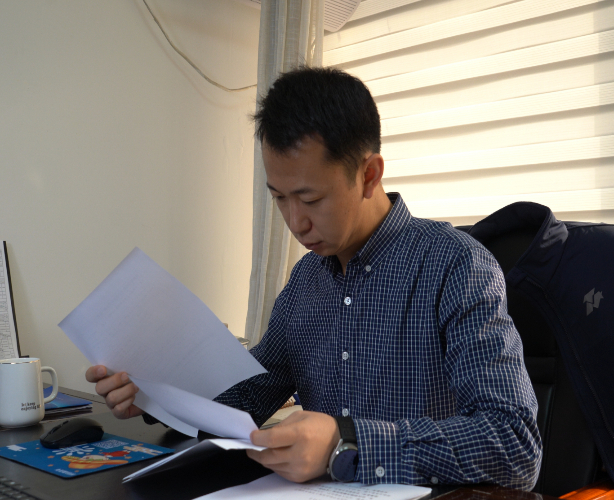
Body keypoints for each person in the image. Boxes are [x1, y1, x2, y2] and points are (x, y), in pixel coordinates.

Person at [86, 67, 542, 488]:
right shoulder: (306, 281)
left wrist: (347, 444)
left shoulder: (457, 267)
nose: (295, 222)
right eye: (279, 198)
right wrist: (156, 396)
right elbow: (250, 398)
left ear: (369, 174)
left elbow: (514, 442)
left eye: (310, 199)